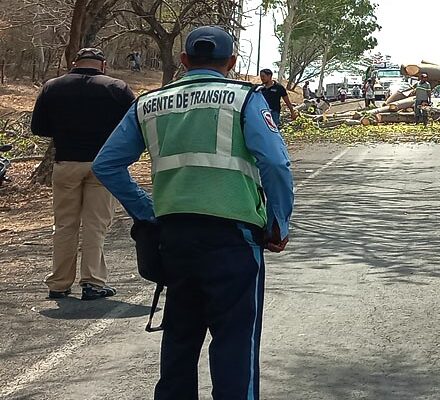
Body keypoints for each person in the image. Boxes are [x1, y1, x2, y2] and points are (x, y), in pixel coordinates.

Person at [92, 26, 294, 398]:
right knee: (235, 342)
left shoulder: (149, 103)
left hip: (173, 238)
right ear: (231, 63)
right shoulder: (244, 99)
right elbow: (276, 165)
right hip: (232, 237)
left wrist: (147, 212)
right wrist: (278, 223)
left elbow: (106, 165)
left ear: (184, 60)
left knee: (180, 338)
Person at [30, 47, 134, 300]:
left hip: (66, 163)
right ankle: (93, 282)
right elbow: (134, 125)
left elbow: (39, 128)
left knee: (65, 224)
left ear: (74, 63)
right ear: (103, 65)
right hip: (103, 164)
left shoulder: (52, 87)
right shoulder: (117, 88)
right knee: (95, 225)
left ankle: (59, 283)